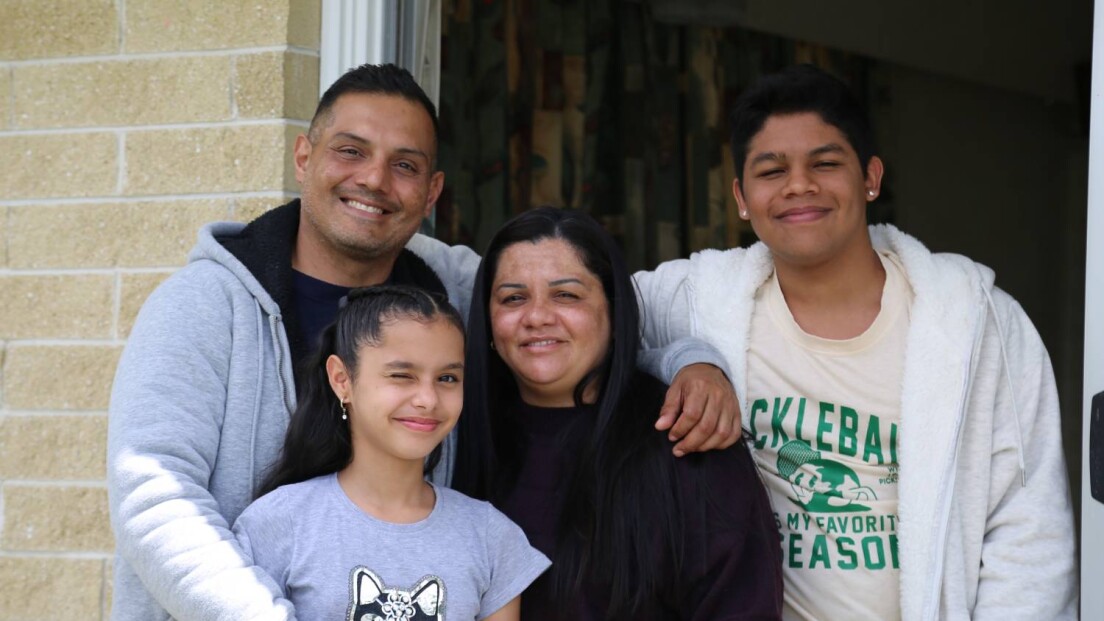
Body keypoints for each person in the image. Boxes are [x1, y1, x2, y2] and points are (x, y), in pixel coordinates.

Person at [107, 63, 739, 619]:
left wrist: (690, 362)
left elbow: (568, 325)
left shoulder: (451, 291)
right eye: (351, 151)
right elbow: (155, 497)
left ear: (431, 192)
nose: (376, 181)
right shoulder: (205, 306)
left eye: (405, 165)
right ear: (304, 158)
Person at [634, 64, 1078, 620]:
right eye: (772, 170)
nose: (800, 185)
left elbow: (1028, 531)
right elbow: (565, 326)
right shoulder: (693, 303)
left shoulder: (975, 322)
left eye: (825, 163)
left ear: (870, 177)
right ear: (741, 197)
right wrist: (689, 359)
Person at [451, 207, 783, 620]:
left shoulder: (686, 432)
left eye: (566, 295)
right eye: (513, 298)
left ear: (613, 310)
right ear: (487, 318)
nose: (536, 317)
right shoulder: (449, 438)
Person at [231, 285, 549, 619]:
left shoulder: (491, 537)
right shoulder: (275, 525)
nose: (428, 399)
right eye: (401, 375)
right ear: (342, 379)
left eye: (447, 378)